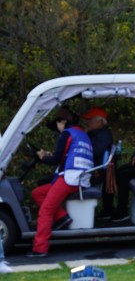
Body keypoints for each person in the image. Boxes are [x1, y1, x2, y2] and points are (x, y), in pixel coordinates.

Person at [27, 108, 94, 258]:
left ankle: (40, 249)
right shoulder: (81, 133)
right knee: (38, 193)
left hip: (70, 178)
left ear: (62, 122)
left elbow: (56, 160)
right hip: (81, 178)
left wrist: (43, 157)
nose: (57, 129)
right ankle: (62, 217)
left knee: (46, 210)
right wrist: (49, 155)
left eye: (57, 124)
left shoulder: (66, 133)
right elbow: (65, 155)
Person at [81, 107, 114, 188]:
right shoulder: (93, 133)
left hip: (95, 170)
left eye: (90, 120)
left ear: (100, 122)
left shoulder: (104, 136)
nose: (87, 122)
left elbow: (91, 153)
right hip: (89, 167)